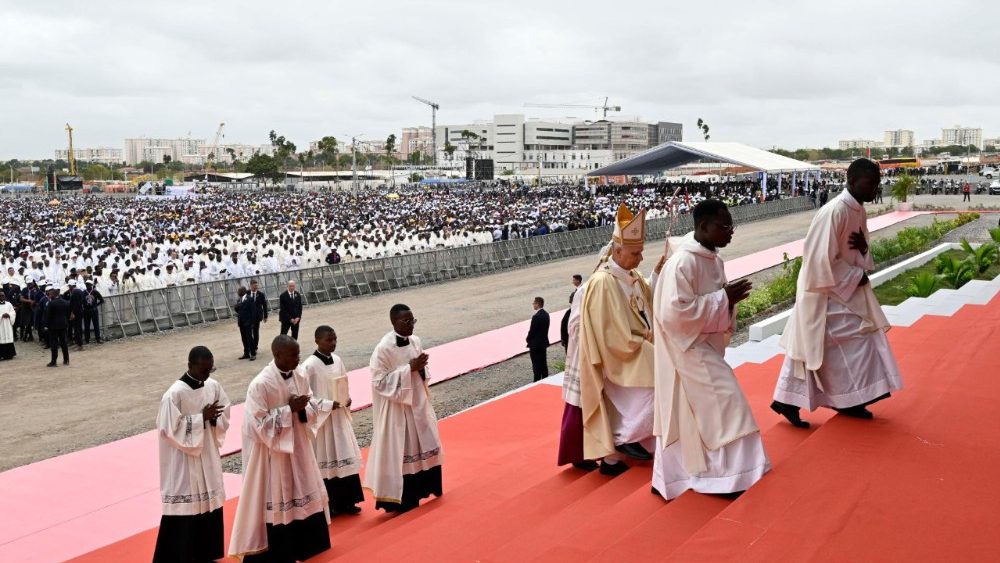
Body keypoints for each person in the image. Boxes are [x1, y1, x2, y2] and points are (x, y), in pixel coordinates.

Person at [651, 199, 771, 500]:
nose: (730, 233)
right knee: (727, 402)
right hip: (687, 348)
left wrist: (726, 301)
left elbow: (713, 302)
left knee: (700, 410)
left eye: (732, 226)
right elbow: (672, 315)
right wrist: (722, 299)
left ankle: (697, 475)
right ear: (703, 227)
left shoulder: (712, 258)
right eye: (725, 227)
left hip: (701, 344)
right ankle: (728, 477)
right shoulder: (683, 262)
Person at [772, 158, 903, 427]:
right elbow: (819, 260)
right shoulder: (836, 211)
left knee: (834, 347)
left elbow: (858, 250)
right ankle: (798, 399)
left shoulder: (858, 210)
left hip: (843, 291)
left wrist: (864, 251)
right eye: (871, 183)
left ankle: (842, 400)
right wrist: (856, 275)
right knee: (822, 347)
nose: (875, 188)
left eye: (877, 183)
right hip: (823, 294)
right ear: (852, 181)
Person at [229, 335, 334, 562]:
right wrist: (288, 409)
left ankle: (308, 544)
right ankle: (280, 550)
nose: (298, 359)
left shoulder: (300, 374)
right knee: (278, 493)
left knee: (304, 486)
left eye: (298, 354)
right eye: (293, 355)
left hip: (298, 446)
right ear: (277, 356)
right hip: (272, 453)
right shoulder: (260, 384)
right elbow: (257, 424)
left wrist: (304, 408)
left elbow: (311, 402)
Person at [578, 204, 656, 476]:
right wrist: (641, 339)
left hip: (637, 347)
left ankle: (628, 448)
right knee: (664, 377)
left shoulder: (631, 276)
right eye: (636, 253)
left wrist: (657, 274)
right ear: (617, 251)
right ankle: (626, 439)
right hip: (619, 353)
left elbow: (646, 304)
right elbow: (609, 332)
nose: (641, 258)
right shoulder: (603, 282)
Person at [152, 346, 230, 563]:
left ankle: (206, 552)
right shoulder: (174, 394)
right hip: (183, 460)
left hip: (206, 453)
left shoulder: (212, 386)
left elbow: (224, 410)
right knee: (185, 508)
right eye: (203, 370)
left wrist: (214, 418)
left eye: (210, 369)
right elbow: (169, 429)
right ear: (190, 366)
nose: (207, 374)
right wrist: (200, 419)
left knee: (209, 504)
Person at [364, 304, 443, 513]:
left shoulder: (415, 341)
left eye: (413, 321)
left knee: (426, 443)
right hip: (398, 410)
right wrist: (409, 369)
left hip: (418, 402)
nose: (411, 326)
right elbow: (379, 382)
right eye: (406, 322)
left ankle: (427, 487)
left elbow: (422, 370)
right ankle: (405, 499)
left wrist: (421, 369)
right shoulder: (383, 349)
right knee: (404, 450)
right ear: (394, 322)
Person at [300, 325, 364, 515]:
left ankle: (349, 501)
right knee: (327, 459)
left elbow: (344, 382)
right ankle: (332, 504)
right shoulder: (309, 366)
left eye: (335, 339)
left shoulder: (337, 359)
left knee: (344, 455)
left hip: (339, 417)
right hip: (323, 422)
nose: (333, 343)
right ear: (317, 341)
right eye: (329, 340)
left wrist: (347, 398)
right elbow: (306, 396)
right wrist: (328, 404)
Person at [44, 286, 70, 367]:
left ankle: (54, 361)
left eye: (50, 294)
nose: (49, 296)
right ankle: (66, 360)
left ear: (53, 295)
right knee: (64, 343)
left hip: (53, 326)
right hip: (63, 324)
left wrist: (46, 325)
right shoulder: (65, 302)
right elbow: (68, 313)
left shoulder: (51, 303)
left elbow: (48, 315)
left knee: (54, 344)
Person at [526, 296, 550, 381]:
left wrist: (528, 339)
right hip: (543, 343)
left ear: (537, 304)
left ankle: (537, 380)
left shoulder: (536, 316)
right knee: (543, 363)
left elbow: (532, 331)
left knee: (536, 364)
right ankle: (545, 379)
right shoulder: (546, 314)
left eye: (534, 303)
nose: (533, 305)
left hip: (535, 344)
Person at [560, 274, 583, 350]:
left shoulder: (579, 291)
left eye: (574, 280)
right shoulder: (578, 291)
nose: (572, 282)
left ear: (578, 280)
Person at [248, 279, 269, 359]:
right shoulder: (247, 293)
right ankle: (250, 346)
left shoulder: (261, 294)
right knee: (249, 332)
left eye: (257, 286)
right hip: (249, 316)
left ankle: (255, 347)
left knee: (256, 332)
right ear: (251, 286)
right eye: (254, 286)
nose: (256, 287)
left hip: (257, 316)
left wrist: (265, 316)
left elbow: (264, 305)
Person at [82, 280, 104, 344]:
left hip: (94, 310)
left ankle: (98, 339)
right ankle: (87, 340)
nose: (87, 285)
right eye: (86, 284)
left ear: (91, 285)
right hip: (86, 311)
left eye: (88, 284)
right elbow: (81, 301)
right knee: (86, 326)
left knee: (96, 325)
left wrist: (96, 305)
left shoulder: (95, 292)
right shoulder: (83, 292)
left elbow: (102, 300)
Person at [66, 279, 85, 350]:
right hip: (79, 312)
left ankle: (80, 345)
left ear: (71, 286)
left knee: (76, 329)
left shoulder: (75, 292)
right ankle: (79, 343)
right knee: (78, 328)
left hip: (77, 312)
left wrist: (73, 313)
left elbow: (76, 304)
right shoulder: (79, 291)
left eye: (69, 286)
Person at [0, 291, 15, 360]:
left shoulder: (9, 304)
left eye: (3, 295)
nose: (2, 297)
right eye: (0, 296)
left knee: (9, 337)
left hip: (7, 323)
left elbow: (13, 312)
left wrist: (9, 315)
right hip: (1, 324)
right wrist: (1, 316)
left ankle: (9, 354)